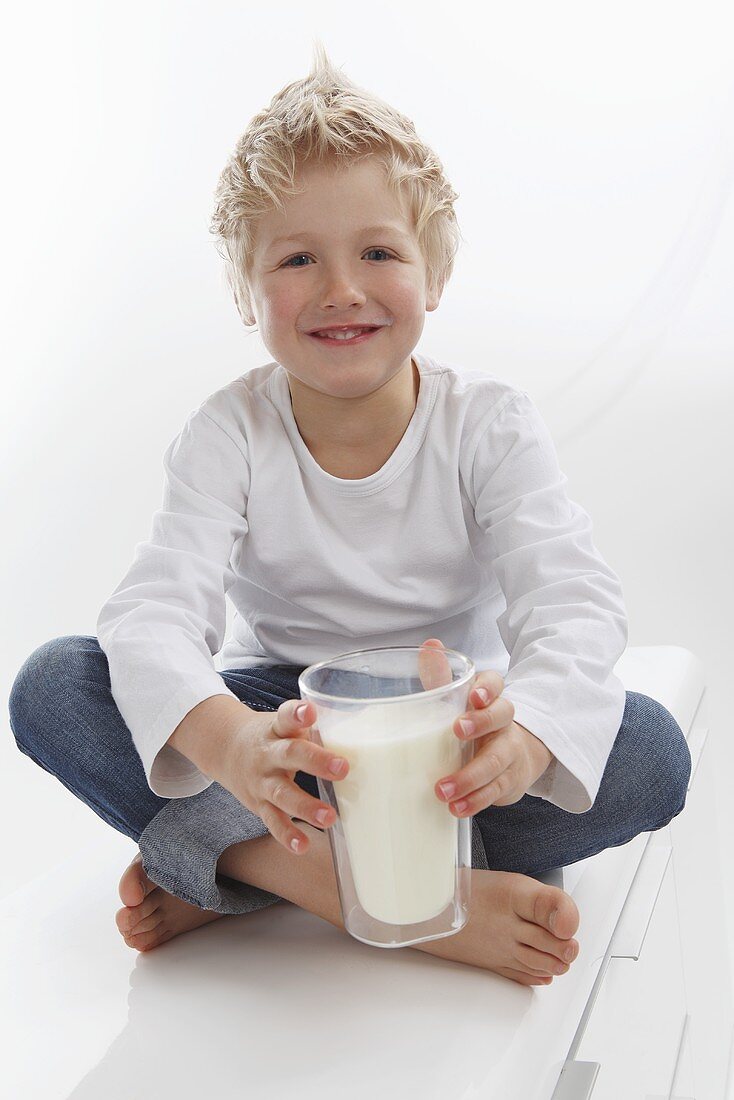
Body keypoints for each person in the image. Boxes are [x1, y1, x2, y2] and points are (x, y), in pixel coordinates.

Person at [8, 43, 691, 988]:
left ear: (433, 273)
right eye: (297, 259)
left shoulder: (487, 424)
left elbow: (573, 604)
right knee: (53, 685)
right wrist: (232, 742)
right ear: (248, 293)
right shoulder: (229, 432)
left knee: (650, 750)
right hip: (288, 735)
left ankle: (232, 866)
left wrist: (525, 736)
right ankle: (403, 904)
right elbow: (153, 616)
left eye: (378, 251)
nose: (341, 289)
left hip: (440, 737)